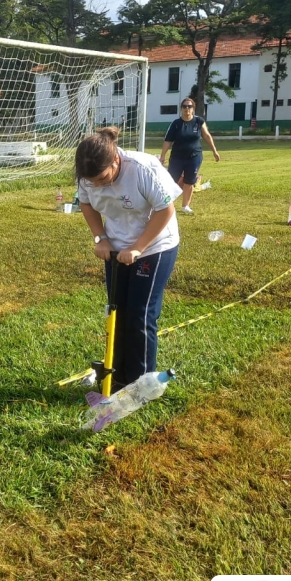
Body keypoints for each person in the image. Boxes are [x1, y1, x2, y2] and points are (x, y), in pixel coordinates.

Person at [77, 127, 181, 388]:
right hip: (116, 248)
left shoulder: (142, 169)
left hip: (155, 246)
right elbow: (86, 204)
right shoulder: (88, 174)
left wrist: (137, 247)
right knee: (117, 312)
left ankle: (140, 385)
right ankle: (117, 378)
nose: (96, 185)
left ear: (115, 160)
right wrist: (101, 238)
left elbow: (165, 209)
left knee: (140, 314)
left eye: (102, 178)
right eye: (91, 181)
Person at [159, 97, 220, 214]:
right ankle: (166, 205)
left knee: (189, 182)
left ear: (193, 108)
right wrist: (162, 156)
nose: (187, 108)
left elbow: (207, 136)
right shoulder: (176, 124)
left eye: (189, 106)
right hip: (177, 158)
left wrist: (214, 151)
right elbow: (168, 140)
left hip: (194, 157)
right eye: (184, 106)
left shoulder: (199, 121)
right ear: (181, 108)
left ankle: (185, 206)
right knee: (171, 181)